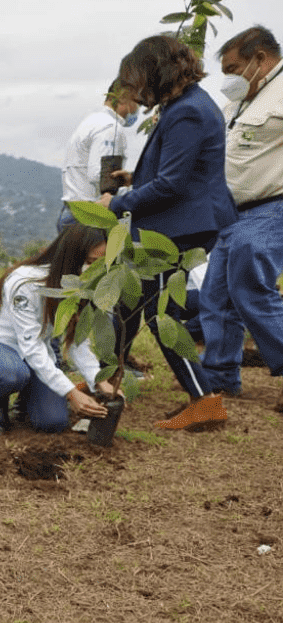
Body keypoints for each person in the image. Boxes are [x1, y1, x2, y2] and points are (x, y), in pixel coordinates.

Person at [99, 35, 238, 431]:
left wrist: (119, 202)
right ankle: (109, 381)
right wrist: (136, 178)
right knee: (131, 305)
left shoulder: (187, 112)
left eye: (137, 80)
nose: (135, 91)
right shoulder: (187, 105)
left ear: (156, 72)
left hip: (179, 227)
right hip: (180, 222)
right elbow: (177, 172)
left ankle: (205, 399)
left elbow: (173, 184)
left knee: (159, 314)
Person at [0, 224, 118, 433]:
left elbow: (77, 340)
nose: (92, 271)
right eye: (90, 262)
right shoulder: (25, 283)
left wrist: (98, 381)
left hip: (35, 352)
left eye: (101, 264)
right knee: (12, 373)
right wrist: (72, 393)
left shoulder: (79, 287)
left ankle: (25, 402)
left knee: (53, 422)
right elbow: (31, 345)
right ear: (70, 256)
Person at [200, 26, 283, 398]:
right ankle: (218, 379)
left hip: (272, 206)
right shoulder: (239, 101)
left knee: (248, 285)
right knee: (215, 296)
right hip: (231, 213)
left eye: (234, 68)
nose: (228, 78)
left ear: (260, 59)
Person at [57, 80, 140, 230]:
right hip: (90, 216)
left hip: (73, 212)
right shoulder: (110, 128)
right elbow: (102, 177)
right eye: (137, 102)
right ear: (123, 99)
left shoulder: (91, 122)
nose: (137, 109)